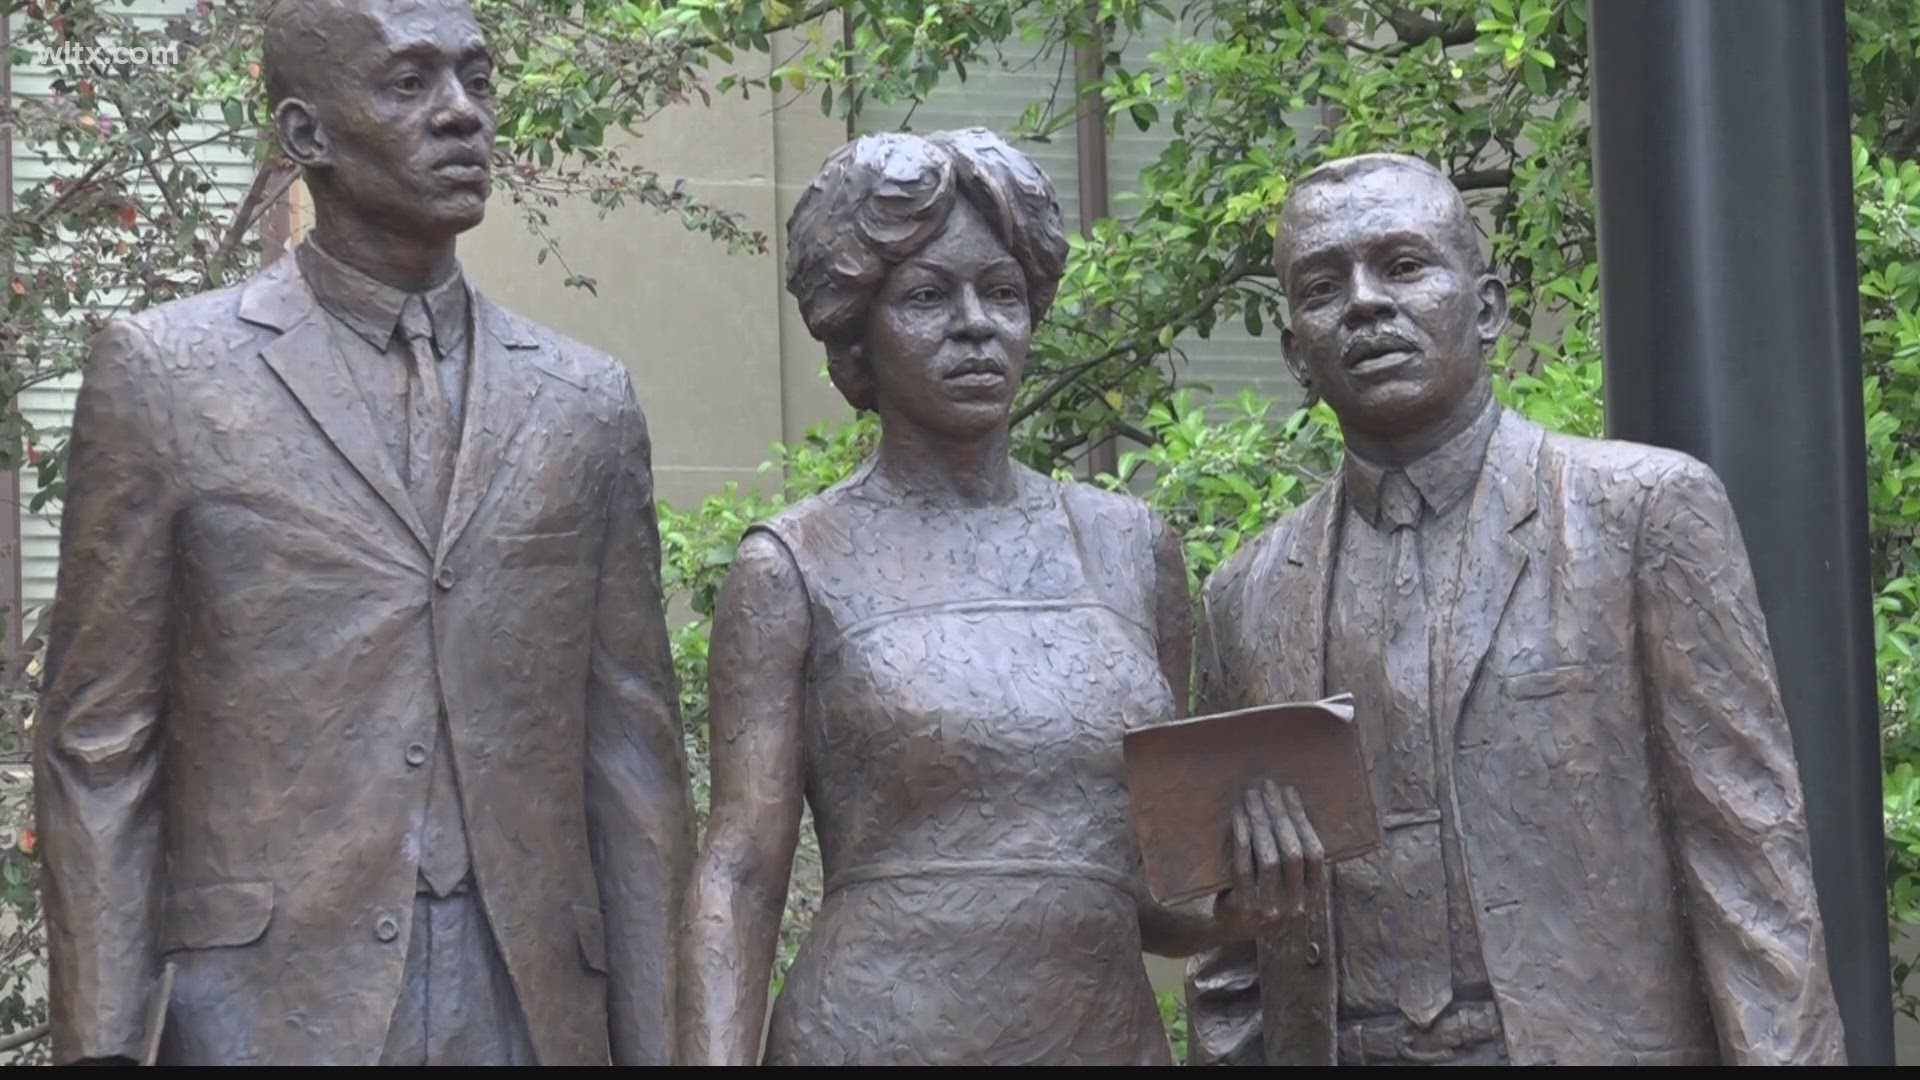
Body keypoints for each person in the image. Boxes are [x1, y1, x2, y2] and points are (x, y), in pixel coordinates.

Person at [33, 0, 692, 1064]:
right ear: (307, 135)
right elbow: (100, 747)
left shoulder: (586, 402)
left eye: (477, 79)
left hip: (531, 1005)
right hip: (262, 1003)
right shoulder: (166, 377)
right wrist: (103, 1049)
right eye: (409, 82)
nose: (461, 114)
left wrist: (666, 1043)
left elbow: (631, 753)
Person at [675, 129, 1319, 1066]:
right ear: (859, 329)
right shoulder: (794, 565)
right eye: (929, 296)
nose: (976, 325)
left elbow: (1148, 894)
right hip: (872, 1038)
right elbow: (738, 877)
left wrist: (1235, 904)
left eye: (1004, 293)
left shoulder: (1131, 549)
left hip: (1098, 1038)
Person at [1184, 152, 1845, 1066]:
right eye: (1324, 286)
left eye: (1405, 265)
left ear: (1487, 307)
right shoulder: (1245, 595)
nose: (1367, 303)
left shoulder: (1641, 514)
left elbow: (1751, 869)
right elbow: (1227, 958)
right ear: (1297, 351)